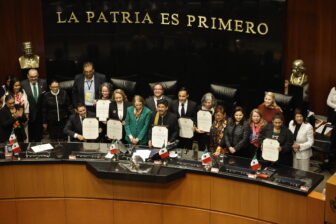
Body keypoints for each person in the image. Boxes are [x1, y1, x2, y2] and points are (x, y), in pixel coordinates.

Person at [21, 68, 47, 142]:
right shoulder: (23, 84)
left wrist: (45, 120)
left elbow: (45, 101)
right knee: (29, 139)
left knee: (39, 139)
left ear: (38, 75)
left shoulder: (43, 82)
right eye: (31, 77)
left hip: (40, 116)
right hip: (28, 116)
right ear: (28, 76)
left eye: (35, 76)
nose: (33, 78)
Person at [7, 77, 30, 142]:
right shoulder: (8, 94)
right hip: (15, 119)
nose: (18, 87)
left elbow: (27, 104)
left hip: (24, 118)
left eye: (19, 85)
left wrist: (26, 116)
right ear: (12, 86)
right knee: (16, 138)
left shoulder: (22, 92)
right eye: (16, 85)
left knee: (25, 135)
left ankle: (25, 149)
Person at [327, 86, 336, 160]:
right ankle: (329, 159)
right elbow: (328, 102)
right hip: (333, 115)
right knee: (331, 138)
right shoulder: (334, 88)